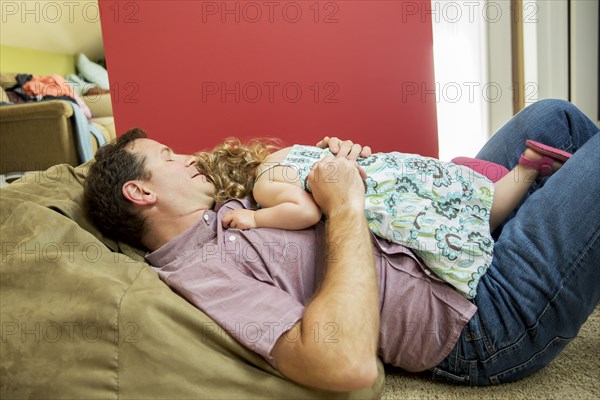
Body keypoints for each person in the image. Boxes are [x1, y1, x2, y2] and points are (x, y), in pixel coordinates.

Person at [83, 99, 600, 391]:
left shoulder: (228, 211)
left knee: (555, 120)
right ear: (141, 191)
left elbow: (299, 186)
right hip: (479, 316)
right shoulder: (201, 271)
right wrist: (346, 205)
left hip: (450, 243)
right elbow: (342, 364)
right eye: (168, 156)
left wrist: (335, 160)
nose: (186, 156)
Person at [193, 137, 571, 299]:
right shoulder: (286, 153)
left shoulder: (263, 185)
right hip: (393, 171)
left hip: (384, 199)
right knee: (463, 195)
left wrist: (257, 221)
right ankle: (491, 176)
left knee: (464, 222)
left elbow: (305, 211)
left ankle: (528, 167)